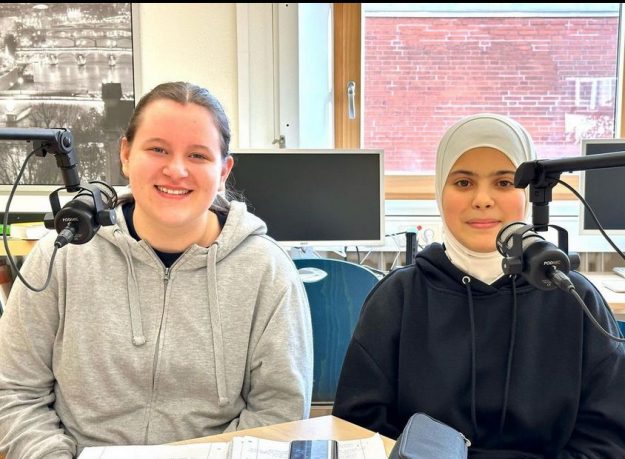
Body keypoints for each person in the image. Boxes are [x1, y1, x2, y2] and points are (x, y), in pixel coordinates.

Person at [0, 81, 313, 458]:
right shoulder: (62, 256)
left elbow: (278, 411)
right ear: (126, 154)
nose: (176, 170)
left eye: (197, 155)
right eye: (158, 149)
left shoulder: (268, 270)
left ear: (223, 171)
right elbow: (14, 391)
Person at [333, 113, 625, 457]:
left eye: (503, 183)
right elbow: (358, 430)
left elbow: (607, 435)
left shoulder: (575, 298)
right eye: (463, 183)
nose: (482, 199)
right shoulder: (398, 298)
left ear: (530, 194)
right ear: (439, 192)